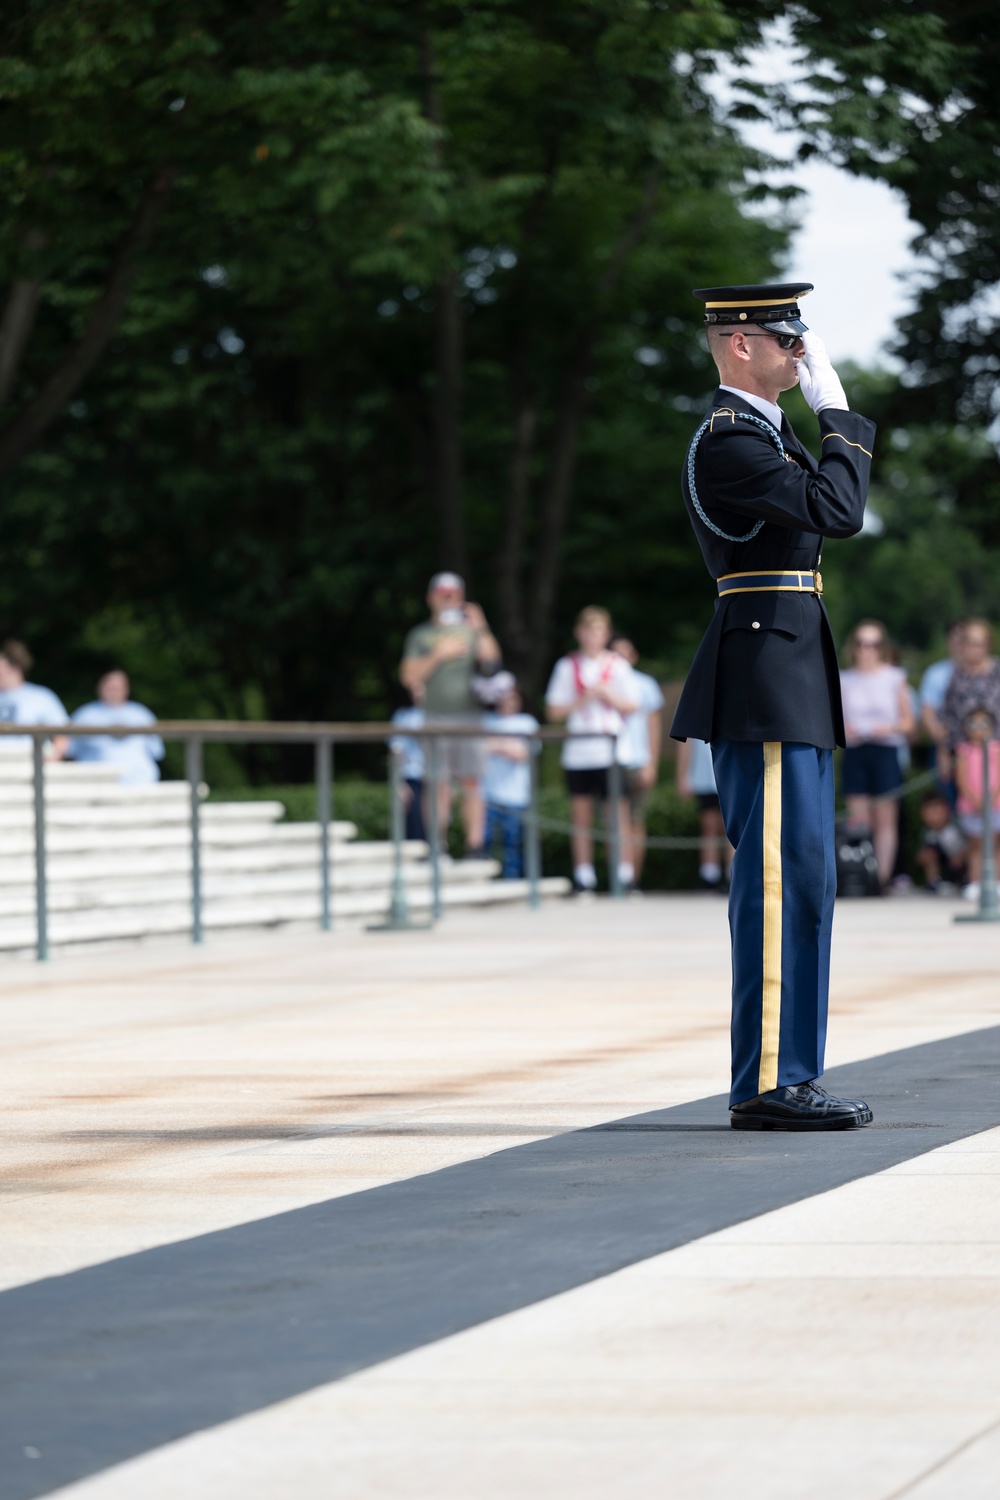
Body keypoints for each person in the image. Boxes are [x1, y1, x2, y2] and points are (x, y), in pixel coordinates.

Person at [670, 280, 876, 1131]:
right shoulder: (730, 441)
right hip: (762, 678)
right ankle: (764, 1082)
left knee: (808, 881)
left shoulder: (764, 435)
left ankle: (794, 1073)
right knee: (776, 883)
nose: (801, 354)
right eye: (787, 340)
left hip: (786, 672)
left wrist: (819, 419)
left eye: (804, 341)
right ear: (740, 345)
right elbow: (841, 510)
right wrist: (842, 419)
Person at [399, 572, 501, 856]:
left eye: (453, 594)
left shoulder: (472, 631)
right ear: (431, 598)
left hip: (472, 718)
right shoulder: (421, 635)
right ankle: (437, 847)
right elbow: (408, 676)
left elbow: (493, 663)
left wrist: (480, 628)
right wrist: (438, 654)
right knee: (438, 784)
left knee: (472, 782)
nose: (448, 600)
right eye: (442, 594)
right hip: (435, 718)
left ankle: (475, 847)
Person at [545, 606, 638, 894]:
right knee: (581, 816)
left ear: (606, 635)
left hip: (611, 751)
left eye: (597, 631)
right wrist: (581, 700)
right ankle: (584, 875)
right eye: (587, 631)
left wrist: (609, 695)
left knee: (617, 816)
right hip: (579, 752)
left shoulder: (618, 665)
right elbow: (553, 712)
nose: (592, 637)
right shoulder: (566, 666)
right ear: (578, 633)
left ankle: (623, 874)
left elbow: (633, 705)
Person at [839, 621, 915, 888]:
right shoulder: (844, 678)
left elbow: (908, 723)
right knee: (858, 818)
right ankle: (860, 873)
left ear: (882, 647)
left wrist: (888, 727)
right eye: (861, 643)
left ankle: (881, 879)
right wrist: (849, 729)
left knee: (886, 818)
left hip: (885, 749)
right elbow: (836, 721)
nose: (866, 650)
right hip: (856, 749)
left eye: (872, 644)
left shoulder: (894, 676)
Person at [611, 636, 664, 889]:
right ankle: (620, 876)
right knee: (617, 820)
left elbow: (653, 727)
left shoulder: (645, 684)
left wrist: (651, 762)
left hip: (638, 758)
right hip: (611, 759)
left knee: (636, 821)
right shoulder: (604, 682)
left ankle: (634, 878)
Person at [482, 676, 538, 879]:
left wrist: (496, 745)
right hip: (487, 795)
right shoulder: (485, 721)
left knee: (512, 846)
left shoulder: (527, 722)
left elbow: (523, 754)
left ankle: (512, 882)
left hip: (517, 796)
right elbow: (479, 751)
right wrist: (507, 746)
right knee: (484, 843)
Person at [69, 669, 165, 784]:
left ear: (126, 689)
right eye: (110, 688)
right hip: (96, 784)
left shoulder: (142, 714)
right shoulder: (84, 715)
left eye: (117, 688)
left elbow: (156, 751)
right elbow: (71, 751)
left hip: (140, 781)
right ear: (100, 688)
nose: (113, 692)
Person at [939, 619, 1000, 772]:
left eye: (980, 644)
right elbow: (949, 717)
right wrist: (944, 752)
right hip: (964, 755)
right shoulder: (957, 675)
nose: (975, 649)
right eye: (971, 644)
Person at [954, 706, 1000, 902]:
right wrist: (975, 800)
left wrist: (991, 799)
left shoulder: (996, 748)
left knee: (995, 845)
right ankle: (975, 882)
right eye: (973, 724)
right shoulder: (963, 750)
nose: (979, 728)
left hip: (996, 805)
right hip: (970, 806)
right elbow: (961, 778)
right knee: (975, 845)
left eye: (984, 724)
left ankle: (994, 883)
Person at [675, 736, 733, 891]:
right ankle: (709, 875)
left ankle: (732, 875)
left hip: (729, 772)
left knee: (731, 826)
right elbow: (685, 741)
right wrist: (682, 776)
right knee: (708, 825)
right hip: (704, 774)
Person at [0, 639, 69, 759]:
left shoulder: (41, 697)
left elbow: (62, 736)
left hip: (29, 762)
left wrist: (51, 761)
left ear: (15, 668)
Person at [920, 620, 964, 794]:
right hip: (946, 744)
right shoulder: (937, 673)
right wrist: (944, 743)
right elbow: (927, 712)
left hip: (982, 748)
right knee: (946, 798)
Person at [389, 689, 426, 843]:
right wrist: (399, 782)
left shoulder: (444, 716)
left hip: (438, 778)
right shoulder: (403, 715)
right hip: (413, 777)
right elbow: (397, 750)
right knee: (416, 830)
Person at [917, 788, 968, 894]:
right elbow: (923, 853)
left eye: (938, 812)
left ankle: (970, 882)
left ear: (947, 810)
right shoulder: (928, 832)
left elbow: (972, 845)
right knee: (929, 853)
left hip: (963, 861)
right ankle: (934, 882)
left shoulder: (958, 826)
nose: (935, 817)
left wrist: (962, 856)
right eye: (930, 813)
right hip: (945, 862)